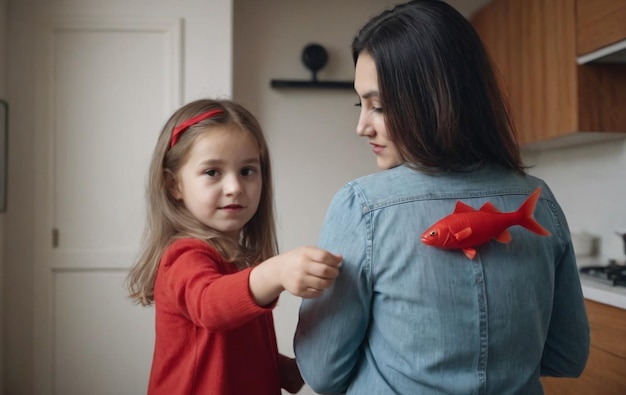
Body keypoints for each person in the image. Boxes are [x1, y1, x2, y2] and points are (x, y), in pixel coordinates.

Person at [293, 1, 590, 394]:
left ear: (433, 99)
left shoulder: (363, 206)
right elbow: (568, 356)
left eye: (378, 106)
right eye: (360, 103)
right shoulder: (540, 200)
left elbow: (322, 372)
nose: (361, 126)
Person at [126, 98, 342, 395]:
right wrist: (277, 271)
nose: (235, 187)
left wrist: (284, 369)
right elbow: (210, 306)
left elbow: (227, 349)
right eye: (213, 172)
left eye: (247, 171)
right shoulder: (183, 256)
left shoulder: (239, 264)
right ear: (174, 185)